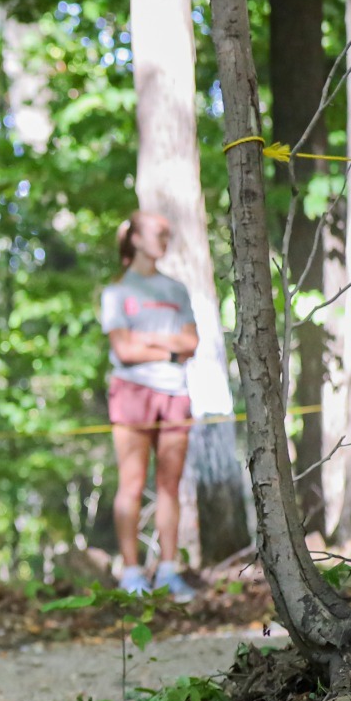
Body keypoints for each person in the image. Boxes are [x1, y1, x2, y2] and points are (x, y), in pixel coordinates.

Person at [100, 210, 199, 603]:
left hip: (175, 393)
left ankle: (169, 572)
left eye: (168, 233)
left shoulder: (176, 289)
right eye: (158, 232)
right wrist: (169, 348)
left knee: (169, 486)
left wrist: (148, 343)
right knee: (131, 483)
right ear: (136, 239)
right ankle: (131, 573)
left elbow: (191, 343)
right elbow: (123, 351)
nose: (165, 239)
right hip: (131, 391)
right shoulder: (117, 291)